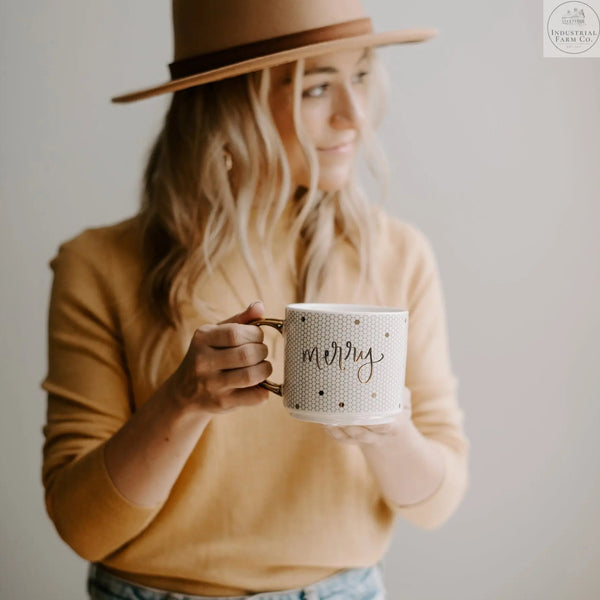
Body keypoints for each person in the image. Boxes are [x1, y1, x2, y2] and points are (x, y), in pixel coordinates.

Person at [41, 1, 470, 599]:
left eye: (363, 76)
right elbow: (82, 527)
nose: (354, 117)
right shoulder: (99, 266)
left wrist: (387, 432)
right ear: (227, 104)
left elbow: (437, 502)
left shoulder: (397, 256)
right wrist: (182, 402)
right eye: (318, 87)